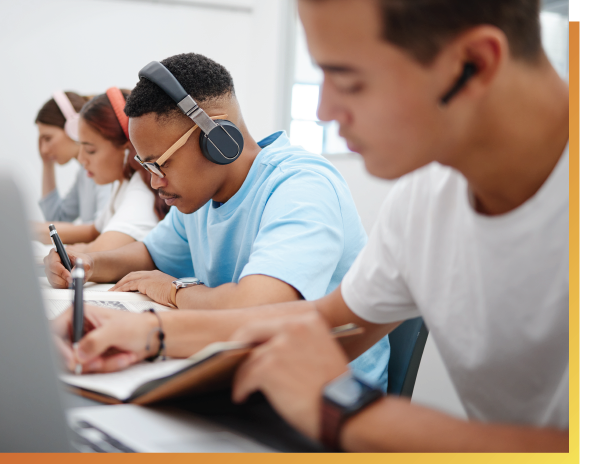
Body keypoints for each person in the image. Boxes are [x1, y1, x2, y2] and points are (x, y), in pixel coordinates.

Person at [51, 0, 569, 452]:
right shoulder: (425, 198)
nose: (323, 111)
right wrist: (148, 333)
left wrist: (352, 415)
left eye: (348, 79)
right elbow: (325, 322)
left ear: (473, 65)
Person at [45, 53, 390, 388]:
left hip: (323, 400)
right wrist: (85, 263)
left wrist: (174, 290)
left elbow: (257, 309)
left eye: (159, 164)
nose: (154, 181)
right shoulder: (201, 198)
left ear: (218, 139)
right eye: (147, 166)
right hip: (242, 375)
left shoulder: (301, 187)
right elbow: (148, 254)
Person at [64, 88, 169, 253]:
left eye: (90, 150)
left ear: (126, 149)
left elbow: (100, 251)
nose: (81, 159)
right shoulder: (123, 184)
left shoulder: (142, 193)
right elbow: (94, 231)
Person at [33, 91, 112, 244]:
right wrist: (47, 164)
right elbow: (56, 220)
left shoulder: (104, 170)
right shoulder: (84, 173)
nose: (43, 149)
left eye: (48, 138)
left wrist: (32, 229)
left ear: (74, 129)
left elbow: (102, 229)